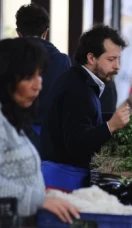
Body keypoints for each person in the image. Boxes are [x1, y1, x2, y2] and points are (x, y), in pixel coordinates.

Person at [40, 25, 130, 192]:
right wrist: (111, 126)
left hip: (64, 174)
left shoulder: (79, 80)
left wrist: (111, 118)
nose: (117, 66)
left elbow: (83, 116)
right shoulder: (77, 89)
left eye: (118, 59)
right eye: (111, 59)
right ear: (91, 58)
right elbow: (76, 143)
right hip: (63, 179)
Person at [0, 38, 79, 224]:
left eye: (40, 76)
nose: (38, 85)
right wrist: (38, 199)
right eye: (29, 78)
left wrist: (45, 194)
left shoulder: (12, 121)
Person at [15, 3, 71, 151]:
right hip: (49, 140)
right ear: (45, 32)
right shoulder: (62, 61)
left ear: (18, 33)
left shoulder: (7, 58)